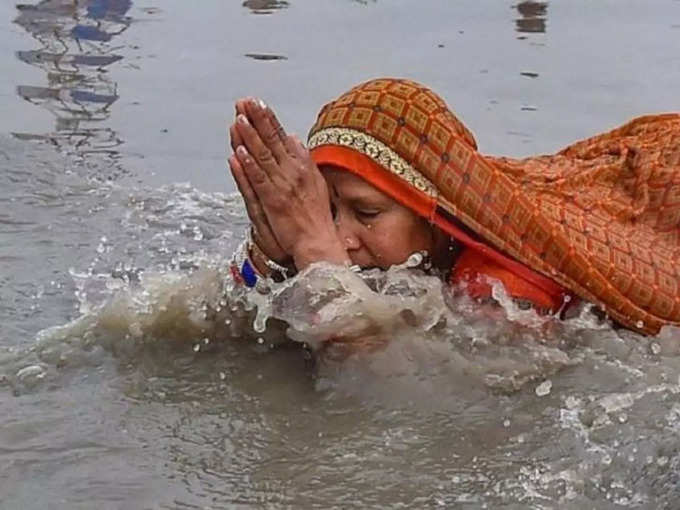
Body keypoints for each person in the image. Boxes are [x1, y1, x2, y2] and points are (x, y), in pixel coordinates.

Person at [227, 78, 680, 336]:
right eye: (326, 211)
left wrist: (315, 247)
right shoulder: (404, 259)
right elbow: (230, 326)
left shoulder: (498, 292)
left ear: (436, 215)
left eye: (366, 214)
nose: (343, 239)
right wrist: (271, 257)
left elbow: (384, 395)